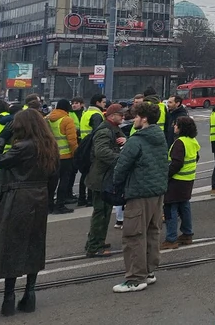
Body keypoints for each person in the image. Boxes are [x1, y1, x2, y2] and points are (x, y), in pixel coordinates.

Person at [0, 108, 59, 316]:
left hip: (18, 197)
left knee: (12, 246)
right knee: (34, 243)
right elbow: (55, 175)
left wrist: (0, 139)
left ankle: (9, 297)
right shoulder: (49, 145)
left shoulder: (22, 147)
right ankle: (30, 294)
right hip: (40, 196)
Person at [111, 101, 169, 293]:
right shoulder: (159, 136)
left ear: (143, 119)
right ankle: (149, 271)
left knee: (133, 235)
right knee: (153, 232)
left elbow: (121, 168)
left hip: (138, 192)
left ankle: (136, 277)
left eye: (136, 116)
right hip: (157, 192)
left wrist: (115, 187)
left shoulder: (136, 140)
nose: (133, 119)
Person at [84, 103, 126, 258]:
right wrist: (122, 158)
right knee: (101, 213)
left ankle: (97, 242)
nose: (123, 117)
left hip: (104, 177)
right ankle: (94, 246)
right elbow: (101, 152)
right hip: (101, 178)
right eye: (120, 114)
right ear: (111, 115)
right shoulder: (105, 130)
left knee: (105, 212)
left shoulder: (111, 129)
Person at [161, 116, 199, 250]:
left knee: (170, 207)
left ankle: (171, 239)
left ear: (181, 128)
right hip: (188, 180)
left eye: (176, 125)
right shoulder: (192, 141)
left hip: (177, 181)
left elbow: (176, 163)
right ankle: (187, 234)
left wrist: (165, 175)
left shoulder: (179, 142)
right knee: (184, 205)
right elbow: (197, 157)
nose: (174, 127)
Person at [46, 98, 78, 214]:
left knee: (51, 182)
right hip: (65, 157)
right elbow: (72, 141)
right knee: (64, 181)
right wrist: (76, 153)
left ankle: (49, 205)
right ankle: (60, 205)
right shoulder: (67, 120)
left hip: (52, 156)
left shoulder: (48, 118)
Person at [77, 94, 106, 207]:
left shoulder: (86, 113)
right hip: (91, 147)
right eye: (103, 102)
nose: (104, 104)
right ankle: (90, 198)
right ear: (98, 103)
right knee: (92, 174)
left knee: (84, 174)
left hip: (84, 146)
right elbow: (98, 133)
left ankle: (81, 198)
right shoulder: (96, 115)